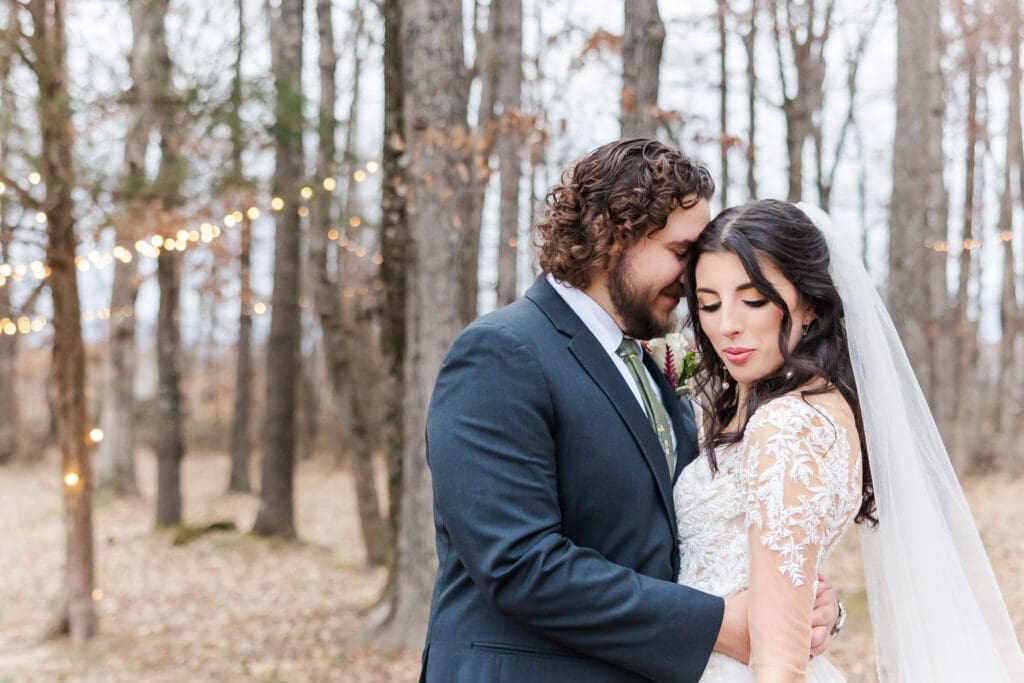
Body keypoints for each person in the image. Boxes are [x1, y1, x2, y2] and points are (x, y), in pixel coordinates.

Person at [420, 140, 839, 683]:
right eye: (682, 252)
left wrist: (804, 612)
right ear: (610, 236)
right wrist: (717, 625)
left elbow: (681, 545)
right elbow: (518, 563)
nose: (692, 280)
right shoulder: (502, 353)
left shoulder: (648, 364)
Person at [677, 198, 1024, 681]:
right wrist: (825, 611)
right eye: (708, 303)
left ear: (810, 306)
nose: (725, 323)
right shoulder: (816, 407)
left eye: (753, 299)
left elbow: (778, 660)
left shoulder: (786, 426)